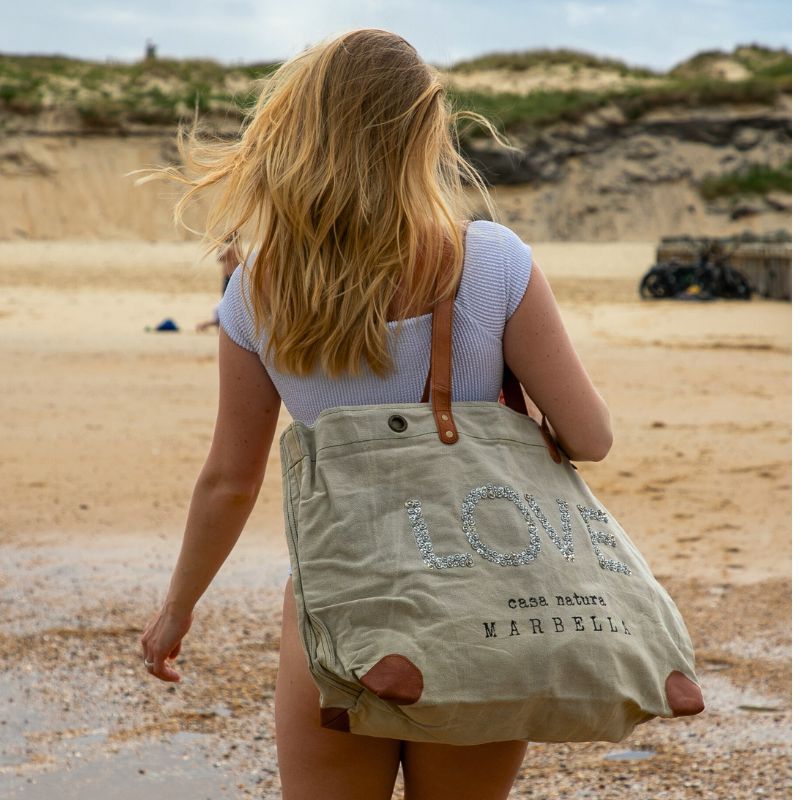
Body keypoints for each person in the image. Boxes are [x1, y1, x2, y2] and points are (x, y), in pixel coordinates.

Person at [139, 28, 613, 800]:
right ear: (424, 132)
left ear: (301, 131)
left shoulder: (258, 292)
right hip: (483, 611)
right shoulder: (491, 262)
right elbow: (590, 439)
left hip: (337, 613)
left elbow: (229, 480)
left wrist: (175, 612)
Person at [195, 233, 241, 332]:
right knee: (229, 302)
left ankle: (221, 325)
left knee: (225, 302)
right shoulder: (238, 248)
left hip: (229, 278)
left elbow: (219, 258)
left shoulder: (230, 248)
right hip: (232, 277)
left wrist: (220, 245)